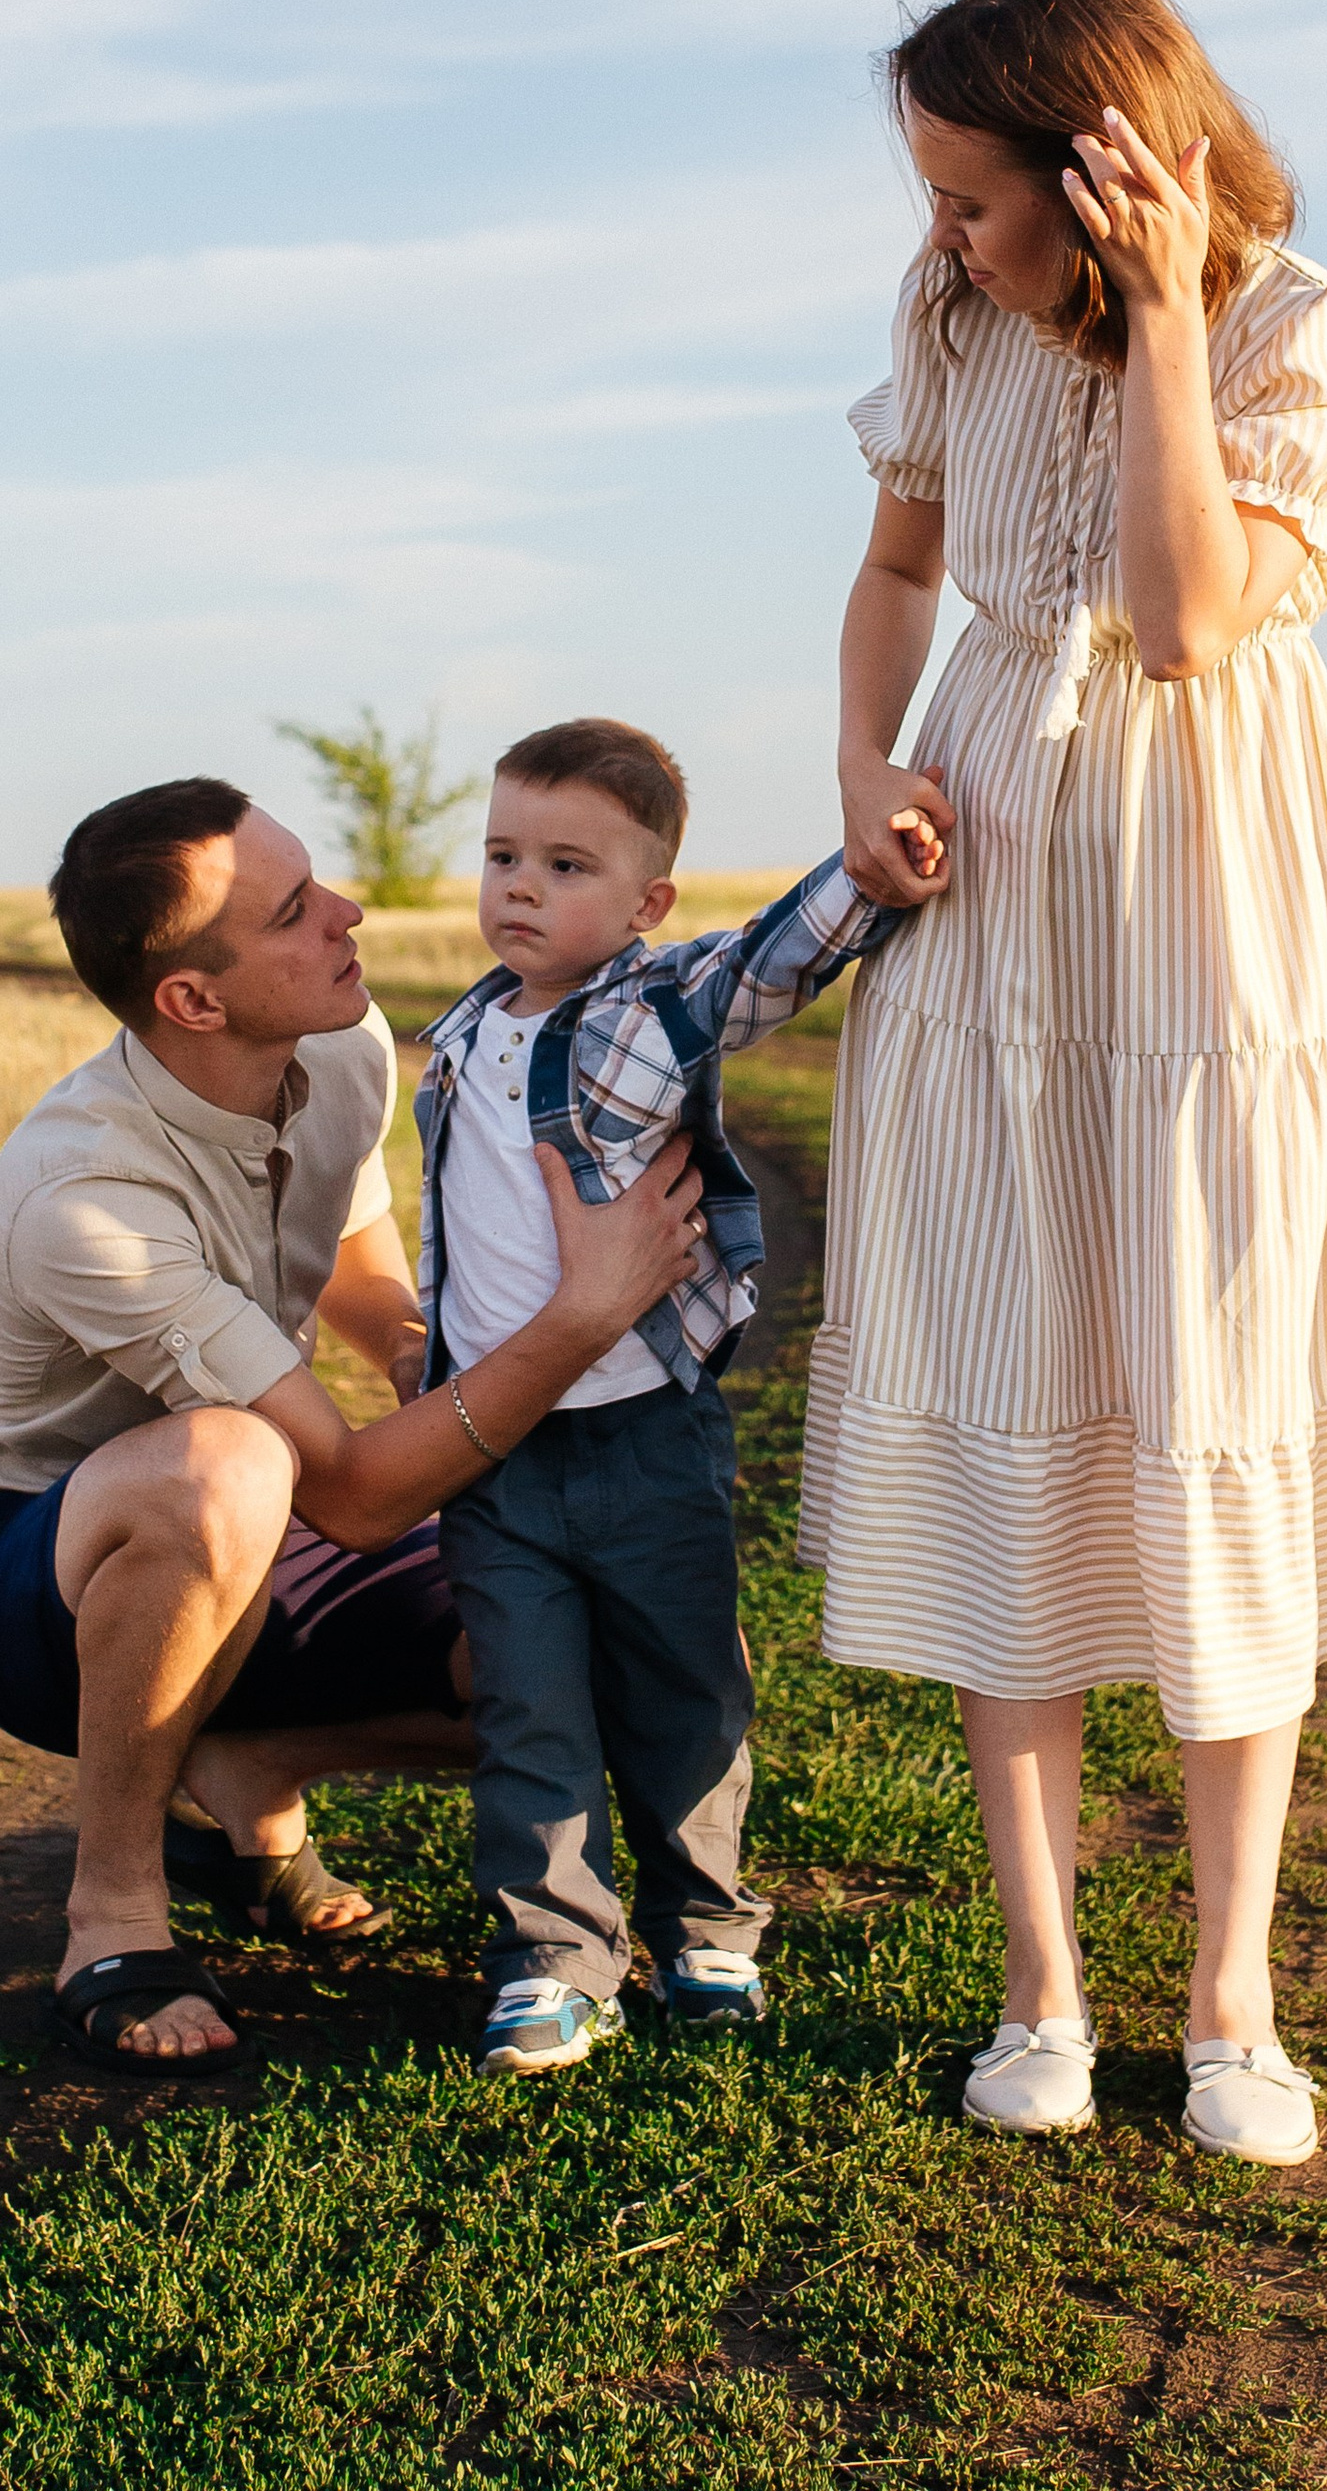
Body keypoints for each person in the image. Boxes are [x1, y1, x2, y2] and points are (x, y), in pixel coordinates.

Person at [800, 0, 1327, 2164]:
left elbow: (1192, 619)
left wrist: (1173, 325)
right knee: (1013, 1365)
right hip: (994, 876)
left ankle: (1228, 2002)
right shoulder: (953, 312)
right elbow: (898, 560)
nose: (941, 234)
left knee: (1216, 1389)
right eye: (928, 195)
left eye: (972, 193)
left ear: (1105, 175)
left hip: (1215, 902)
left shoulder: (1309, 331)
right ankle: (1041, 1987)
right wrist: (860, 762)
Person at [0, 773, 707, 2076]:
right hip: (40, 1570)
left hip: (266, 1524)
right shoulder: (83, 1196)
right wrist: (584, 1316)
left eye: (315, 879)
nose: (349, 910)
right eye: (294, 910)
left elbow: (345, 1234)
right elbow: (357, 1497)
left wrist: (407, 1345)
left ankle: (246, 1757)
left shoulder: (340, 1042)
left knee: (608, 1631)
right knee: (224, 1462)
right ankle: (113, 1912)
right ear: (194, 1000)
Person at [416, 716, 900, 2075]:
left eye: (567, 866)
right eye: (504, 854)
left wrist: (871, 864)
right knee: (528, 1709)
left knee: (687, 1692)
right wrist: (431, 1354)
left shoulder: (643, 1007)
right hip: (499, 1453)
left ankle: (707, 1928)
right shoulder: (461, 1034)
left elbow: (768, 962)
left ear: (646, 904)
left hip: (647, 1437)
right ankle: (555, 1958)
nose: (520, 886)